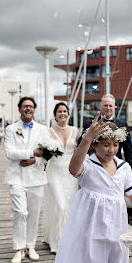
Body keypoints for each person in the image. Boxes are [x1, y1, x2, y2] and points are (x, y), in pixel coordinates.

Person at [52, 113, 132, 263]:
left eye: (115, 144)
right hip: (90, 224)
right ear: (95, 144)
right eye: (106, 145)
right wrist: (86, 138)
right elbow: (73, 169)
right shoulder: (88, 165)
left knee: (117, 261)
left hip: (117, 225)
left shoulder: (124, 168)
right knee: (91, 261)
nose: (111, 150)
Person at [4, 97, 50, 263]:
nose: (28, 109)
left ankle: (31, 246)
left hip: (37, 177)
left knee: (34, 213)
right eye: (25, 106)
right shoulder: (10, 129)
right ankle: (19, 249)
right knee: (20, 212)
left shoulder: (43, 129)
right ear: (19, 109)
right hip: (16, 177)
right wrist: (32, 152)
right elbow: (9, 153)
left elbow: (48, 154)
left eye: (30, 106)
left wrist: (34, 160)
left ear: (34, 109)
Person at [41, 102, 80, 253]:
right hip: (54, 171)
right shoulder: (49, 132)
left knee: (69, 206)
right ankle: (57, 242)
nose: (62, 114)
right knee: (59, 205)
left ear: (68, 114)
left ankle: (68, 239)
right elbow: (44, 153)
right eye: (59, 111)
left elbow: (80, 151)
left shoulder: (75, 131)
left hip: (70, 172)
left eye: (64, 111)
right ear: (55, 114)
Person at [79, 94, 132, 175]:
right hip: (93, 167)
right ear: (100, 107)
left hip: (115, 167)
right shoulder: (90, 124)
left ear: (114, 107)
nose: (108, 108)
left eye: (110, 106)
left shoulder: (122, 124)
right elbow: (82, 144)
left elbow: (128, 150)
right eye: (105, 105)